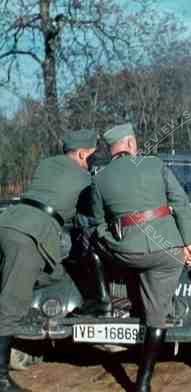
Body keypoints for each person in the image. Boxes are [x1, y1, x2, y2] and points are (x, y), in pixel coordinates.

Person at [90, 123, 191, 392]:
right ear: (129, 143)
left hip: (128, 253)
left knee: (114, 260)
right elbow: (181, 202)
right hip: (167, 250)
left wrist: (113, 243)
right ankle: (143, 382)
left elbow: (98, 225)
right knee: (157, 316)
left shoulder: (100, 178)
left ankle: (114, 300)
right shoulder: (154, 164)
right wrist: (188, 242)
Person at [0, 129, 97, 392]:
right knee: (11, 303)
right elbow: (93, 209)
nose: (89, 163)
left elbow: (55, 195)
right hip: (31, 234)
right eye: (89, 157)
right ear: (80, 153)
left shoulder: (46, 164)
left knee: (56, 274)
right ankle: (1, 379)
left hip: (10, 220)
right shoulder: (82, 176)